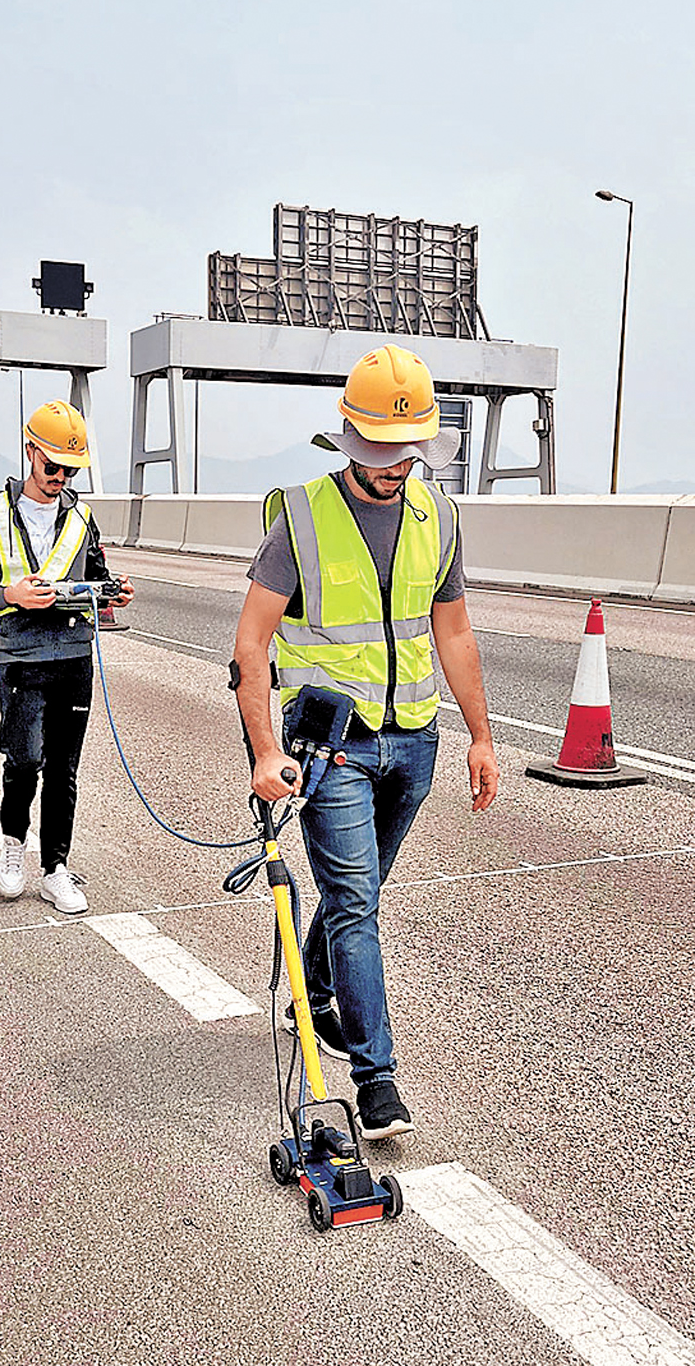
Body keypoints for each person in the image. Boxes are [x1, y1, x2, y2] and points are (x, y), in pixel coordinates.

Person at [233, 343, 499, 1140]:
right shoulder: (299, 517)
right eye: (380, 450)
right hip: (331, 749)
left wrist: (479, 737)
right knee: (354, 904)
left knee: (360, 892)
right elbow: (251, 645)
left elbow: (454, 632)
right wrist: (264, 751)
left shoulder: (437, 516)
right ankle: (375, 1079)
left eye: (406, 450)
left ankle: (312, 994)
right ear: (349, 437)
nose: (394, 466)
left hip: (413, 743)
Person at [0, 399, 134, 913]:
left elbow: (97, 576)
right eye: (52, 465)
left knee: (64, 767)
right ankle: (13, 846)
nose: (60, 477)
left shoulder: (82, 518)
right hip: (22, 657)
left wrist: (114, 591)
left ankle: (55, 869)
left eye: (70, 470)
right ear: (30, 452)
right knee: (24, 761)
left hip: (74, 656)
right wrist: (11, 594)